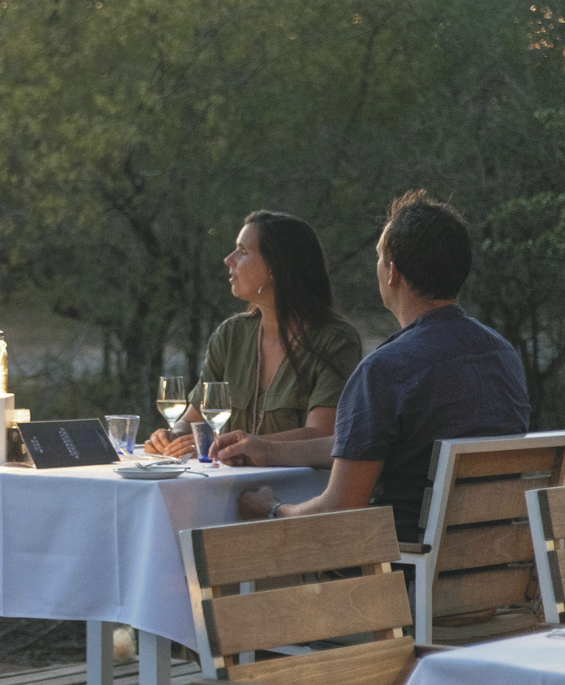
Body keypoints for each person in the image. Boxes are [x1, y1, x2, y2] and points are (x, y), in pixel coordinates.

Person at [223, 191, 530, 535]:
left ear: (392, 272)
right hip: (494, 553)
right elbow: (360, 446)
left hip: (402, 558)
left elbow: (339, 511)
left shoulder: (386, 371)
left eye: (379, 257)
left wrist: (272, 510)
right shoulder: (502, 354)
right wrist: (270, 450)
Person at [147, 211, 361, 457]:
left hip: (297, 481)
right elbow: (193, 421)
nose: (228, 259)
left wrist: (234, 446)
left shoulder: (335, 341)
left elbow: (322, 435)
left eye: (243, 251)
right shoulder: (230, 335)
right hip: (228, 477)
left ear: (275, 267)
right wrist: (172, 436)